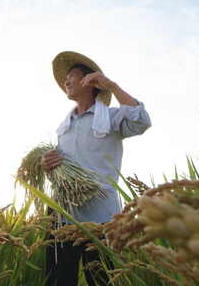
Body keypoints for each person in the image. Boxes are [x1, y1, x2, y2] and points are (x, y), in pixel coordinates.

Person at [42, 51, 152, 286]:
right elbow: (63, 174)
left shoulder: (110, 118)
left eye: (72, 76)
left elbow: (142, 121)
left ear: (88, 81)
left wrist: (111, 85)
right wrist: (49, 166)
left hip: (101, 218)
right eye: (65, 79)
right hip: (62, 216)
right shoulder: (64, 128)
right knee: (58, 281)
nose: (66, 82)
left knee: (101, 280)